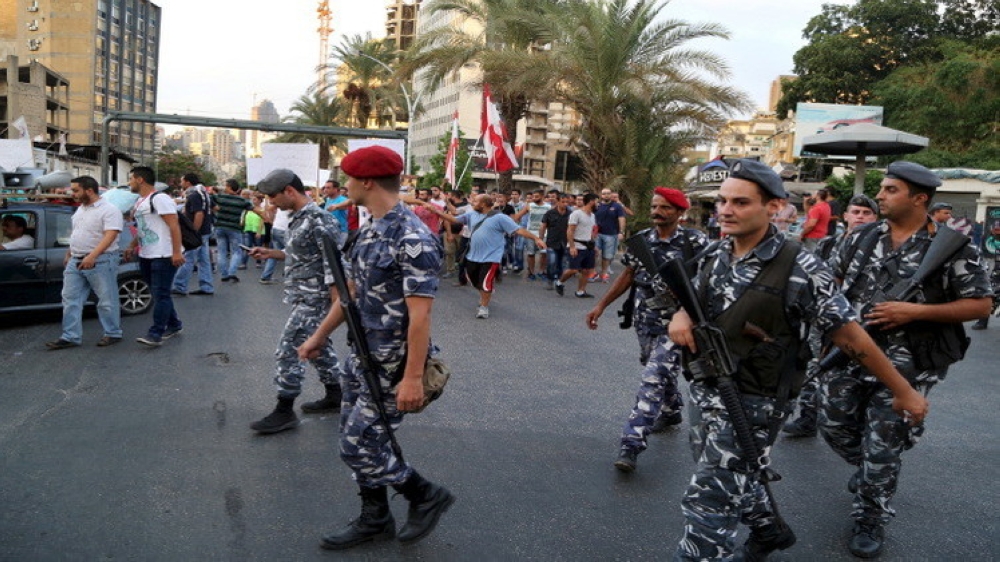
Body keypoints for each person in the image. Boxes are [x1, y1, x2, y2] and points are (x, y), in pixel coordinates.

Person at [659, 159, 929, 561]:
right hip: (708, 388)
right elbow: (689, 299)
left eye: (740, 202)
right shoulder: (717, 252)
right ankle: (768, 529)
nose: (725, 210)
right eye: (721, 201)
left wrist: (903, 390)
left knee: (708, 500)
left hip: (756, 400)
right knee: (722, 470)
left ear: (774, 208)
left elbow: (850, 335)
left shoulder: (801, 267)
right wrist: (680, 314)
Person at [818, 161, 992, 558]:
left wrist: (915, 312)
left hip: (909, 362)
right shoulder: (860, 238)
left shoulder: (951, 246)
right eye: (882, 189)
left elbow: (982, 303)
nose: (880, 196)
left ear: (920, 198)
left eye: (891, 189)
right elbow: (829, 286)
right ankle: (870, 471)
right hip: (851, 353)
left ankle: (870, 513)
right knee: (833, 424)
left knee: (884, 440)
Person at [298, 145, 454, 550]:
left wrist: (413, 378)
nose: (344, 185)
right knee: (366, 440)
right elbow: (351, 292)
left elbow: (421, 317)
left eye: (349, 178)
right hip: (361, 355)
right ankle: (375, 517)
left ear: (367, 181)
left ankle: (424, 493)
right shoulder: (370, 228)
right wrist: (319, 337)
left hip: (392, 363)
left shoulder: (413, 237)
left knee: (358, 444)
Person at [584, 187, 708, 471]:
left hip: (678, 323)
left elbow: (708, 280)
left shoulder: (694, 241)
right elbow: (627, 275)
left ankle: (631, 443)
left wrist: (689, 310)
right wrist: (600, 305)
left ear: (679, 212)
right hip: (645, 320)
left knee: (652, 378)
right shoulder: (641, 241)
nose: (657, 212)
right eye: (654, 206)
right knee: (655, 367)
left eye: (665, 208)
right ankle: (672, 407)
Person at [244, 169, 344, 434]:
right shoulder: (299, 218)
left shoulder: (319, 220)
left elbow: (335, 267)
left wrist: (338, 308)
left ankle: (284, 409)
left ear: (290, 191)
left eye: (273, 197)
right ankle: (336, 393)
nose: (271, 203)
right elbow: (300, 254)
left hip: (316, 298)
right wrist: (271, 253)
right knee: (318, 348)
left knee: (289, 347)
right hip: (303, 294)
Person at [783, 194, 879, 438]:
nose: (860, 217)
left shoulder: (880, 248)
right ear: (845, 216)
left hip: (862, 321)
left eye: (866, 213)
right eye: (855, 212)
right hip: (823, 317)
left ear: (876, 219)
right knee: (814, 364)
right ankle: (808, 417)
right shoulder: (827, 244)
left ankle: (858, 421)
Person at [433, 193, 545, 319]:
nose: (471, 202)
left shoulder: (500, 217)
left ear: (484, 204)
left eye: (475, 201)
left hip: (492, 257)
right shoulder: (471, 214)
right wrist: (435, 210)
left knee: (485, 283)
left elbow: (518, 230)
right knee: (474, 281)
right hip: (472, 256)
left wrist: (536, 238)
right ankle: (486, 291)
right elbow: (454, 219)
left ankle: (484, 307)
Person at [45, 176, 124, 350]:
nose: (72, 194)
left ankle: (112, 333)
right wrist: (70, 252)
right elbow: (77, 233)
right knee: (70, 298)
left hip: (101, 261)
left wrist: (92, 256)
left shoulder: (109, 210)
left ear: (89, 190)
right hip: (76, 259)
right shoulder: (81, 209)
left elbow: (110, 235)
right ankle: (70, 336)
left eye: (75, 190)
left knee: (106, 299)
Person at [125, 166, 185, 347]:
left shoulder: (160, 198)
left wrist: (175, 252)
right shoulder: (140, 201)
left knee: (161, 294)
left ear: (140, 179)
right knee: (159, 293)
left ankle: (156, 333)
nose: (130, 183)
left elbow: (174, 226)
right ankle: (174, 324)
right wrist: (132, 245)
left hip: (163, 254)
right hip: (147, 254)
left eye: (131, 179)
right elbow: (145, 229)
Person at [170, 173, 214, 296]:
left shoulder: (194, 195)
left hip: (198, 232)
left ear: (188, 182)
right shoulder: (202, 193)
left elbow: (199, 214)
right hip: (205, 231)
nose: (181, 183)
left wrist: (193, 231)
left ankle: (179, 286)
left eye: (182, 181)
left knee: (187, 259)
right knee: (203, 260)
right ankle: (207, 286)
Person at [554, 192, 598, 298]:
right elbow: (570, 231)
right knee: (574, 269)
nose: (598, 204)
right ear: (591, 202)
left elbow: (591, 231)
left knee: (586, 270)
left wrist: (594, 245)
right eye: (597, 202)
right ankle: (559, 282)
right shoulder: (576, 214)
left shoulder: (592, 216)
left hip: (588, 246)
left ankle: (581, 291)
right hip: (577, 245)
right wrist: (572, 246)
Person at [214, 179, 253, 282]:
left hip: (220, 227)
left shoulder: (220, 197)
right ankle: (232, 273)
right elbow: (252, 208)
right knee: (237, 251)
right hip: (234, 228)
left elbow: (209, 199)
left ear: (229, 187)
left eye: (226, 186)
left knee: (221, 252)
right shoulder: (242, 201)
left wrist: (215, 208)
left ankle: (224, 274)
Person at [537, 192, 573, 289]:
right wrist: (540, 240)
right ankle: (550, 279)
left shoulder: (571, 214)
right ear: (557, 202)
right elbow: (543, 226)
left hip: (565, 242)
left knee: (562, 263)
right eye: (563, 202)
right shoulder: (550, 213)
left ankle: (559, 281)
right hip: (552, 242)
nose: (565, 204)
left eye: (567, 202)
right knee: (552, 261)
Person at [513, 190, 550, 280]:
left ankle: (542, 271)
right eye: (533, 196)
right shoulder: (529, 206)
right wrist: (517, 227)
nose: (534, 198)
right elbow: (517, 216)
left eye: (536, 196)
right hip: (530, 233)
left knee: (544, 254)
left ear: (542, 196)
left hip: (544, 234)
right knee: (531, 254)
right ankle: (531, 272)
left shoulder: (548, 207)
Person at [593, 188, 627, 281]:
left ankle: (604, 273)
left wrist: (621, 232)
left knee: (606, 256)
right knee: (594, 253)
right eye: (604, 194)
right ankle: (593, 272)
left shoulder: (617, 206)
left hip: (611, 234)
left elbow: (622, 219)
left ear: (611, 195)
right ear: (601, 195)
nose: (606, 195)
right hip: (597, 234)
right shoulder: (597, 206)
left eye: (608, 193)